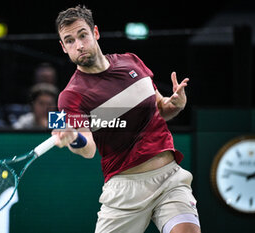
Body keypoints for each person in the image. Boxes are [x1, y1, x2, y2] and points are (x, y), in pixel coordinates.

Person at [51, 5, 201, 233]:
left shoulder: (131, 62)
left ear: (95, 33)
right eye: (69, 40)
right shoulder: (71, 96)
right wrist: (73, 138)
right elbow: (88, 148)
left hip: (169, 179)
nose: (79, 45)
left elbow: (161, 108)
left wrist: (175, 105)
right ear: (63, 47)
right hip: (124, 191)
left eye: (83, 35)